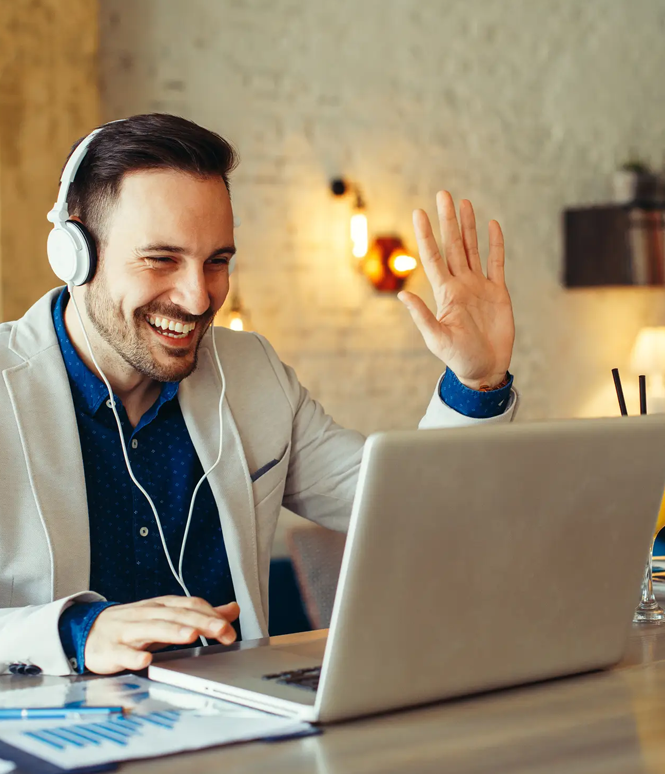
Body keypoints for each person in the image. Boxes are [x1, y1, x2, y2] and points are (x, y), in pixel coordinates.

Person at [0, 114, 518, 677]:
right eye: (161, 259)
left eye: (217, 262)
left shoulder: (253, 372)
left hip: (236, 720)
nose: (199, 298)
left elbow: (412, 508)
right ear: (74, 252)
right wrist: (74, 631)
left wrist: (476, 382)